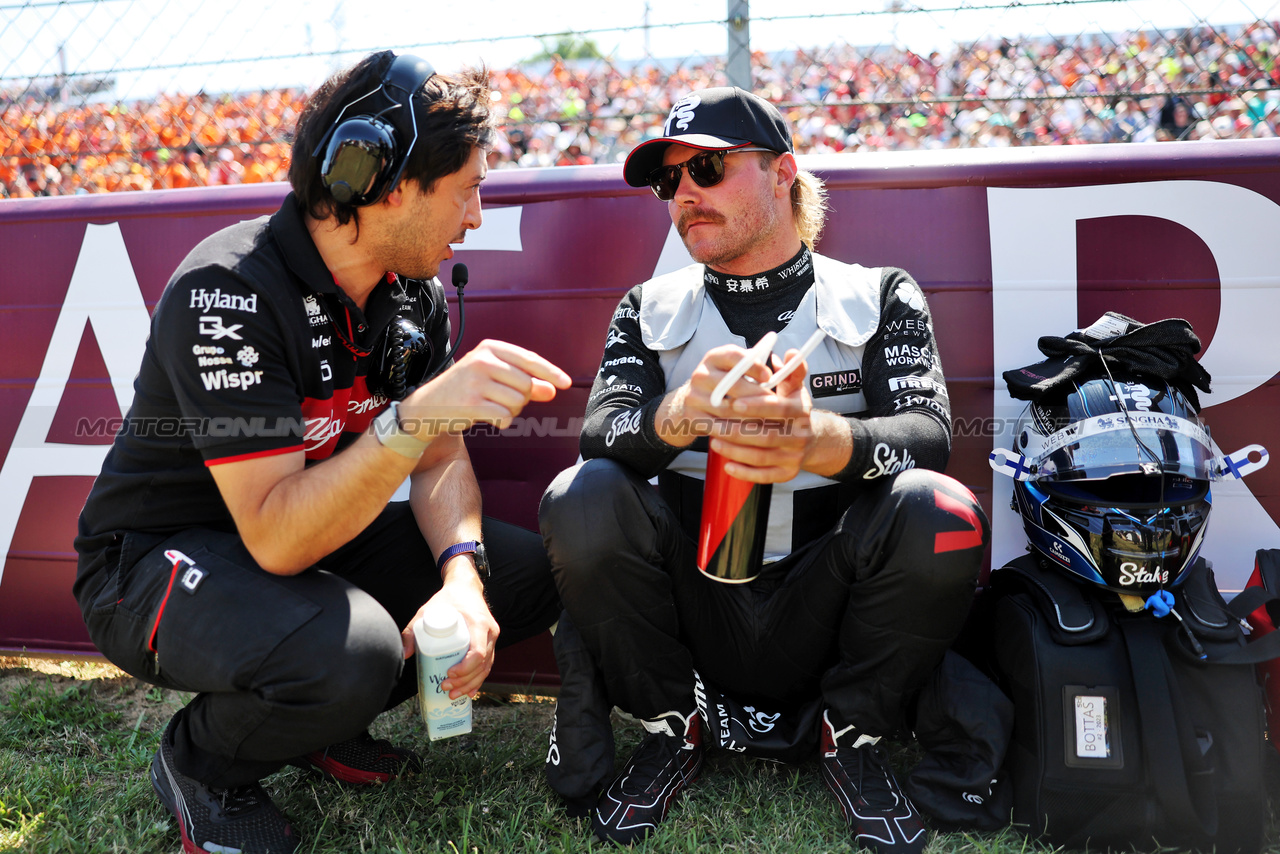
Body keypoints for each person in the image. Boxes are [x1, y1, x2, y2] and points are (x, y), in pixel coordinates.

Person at [73, 50, 571, 854]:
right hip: (154, 560)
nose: (475, 217)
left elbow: (440, 461)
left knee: (522, 573)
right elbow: (276, 534)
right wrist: (409, 421)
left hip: (309, 538)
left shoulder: (412, 290)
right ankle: (199, 762)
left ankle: (307, 723)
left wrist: (462, 578)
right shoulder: (227, 291)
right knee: (356, 653)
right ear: (389, 186)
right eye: (467, 189)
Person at [539, 87, 989, 852]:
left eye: (708, 169)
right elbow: (599, 436)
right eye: (668, 181)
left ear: (783, 172)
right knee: (580, 496)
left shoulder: (879, 291)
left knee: (941, 508)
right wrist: (682, 413)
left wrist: (817, 441)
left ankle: (853, 737)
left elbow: (931, 437)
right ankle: (671, 728)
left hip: (831, 594)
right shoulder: (647, 305)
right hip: (698, 593)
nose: (684, 194)